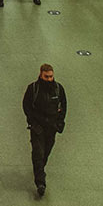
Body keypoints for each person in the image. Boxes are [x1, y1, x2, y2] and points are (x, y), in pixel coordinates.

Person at [22, 64, 67, 197]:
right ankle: (40, 182)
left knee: (46, 151)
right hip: (38, 127)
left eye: (51, 76)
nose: (49, 79)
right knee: (38, 153)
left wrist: (60, 123)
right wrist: (32, 122)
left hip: (51, 128)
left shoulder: (58, 89)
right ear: (41, 75)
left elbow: (63, 106)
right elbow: (26, 106)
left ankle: (40, 168)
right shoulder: (33, 89)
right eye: (46, 76)